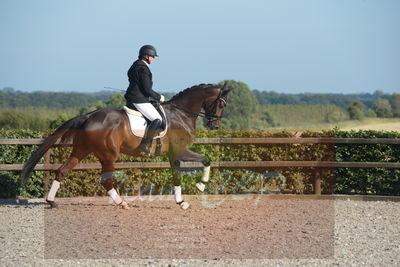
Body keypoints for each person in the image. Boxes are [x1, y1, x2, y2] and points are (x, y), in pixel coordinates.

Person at [125, 44, 165, 155]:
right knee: (157, 119)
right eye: (152, 56)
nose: (153, 59)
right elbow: (147, 89)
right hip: (139, 99)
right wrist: (159, 97)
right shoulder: (144, 69)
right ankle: (145, 144)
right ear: (146, 56)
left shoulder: (134, 65)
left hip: (131, 97)